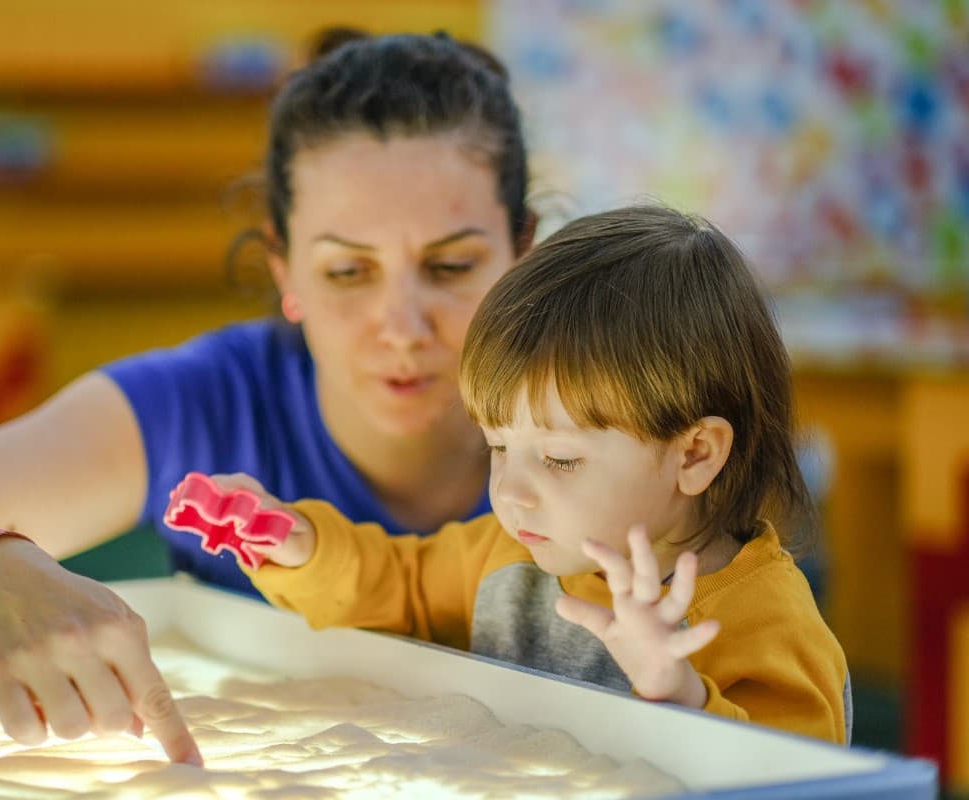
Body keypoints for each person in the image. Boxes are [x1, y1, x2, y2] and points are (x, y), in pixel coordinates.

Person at [0, 30, 532, 766]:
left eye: (451, 265)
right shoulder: (208, 401)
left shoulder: (605, 408)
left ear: (526, 253)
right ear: (284, 270)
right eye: (348, 272)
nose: (403, 327)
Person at [206, 205, 852, 745]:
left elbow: (800, 783)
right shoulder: (506, 554)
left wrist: (676, 694)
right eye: (497, 447)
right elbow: (394, 586)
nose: (510, 492)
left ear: (694, 455)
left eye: (559, 458)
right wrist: (298, 545)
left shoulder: (768, 625)